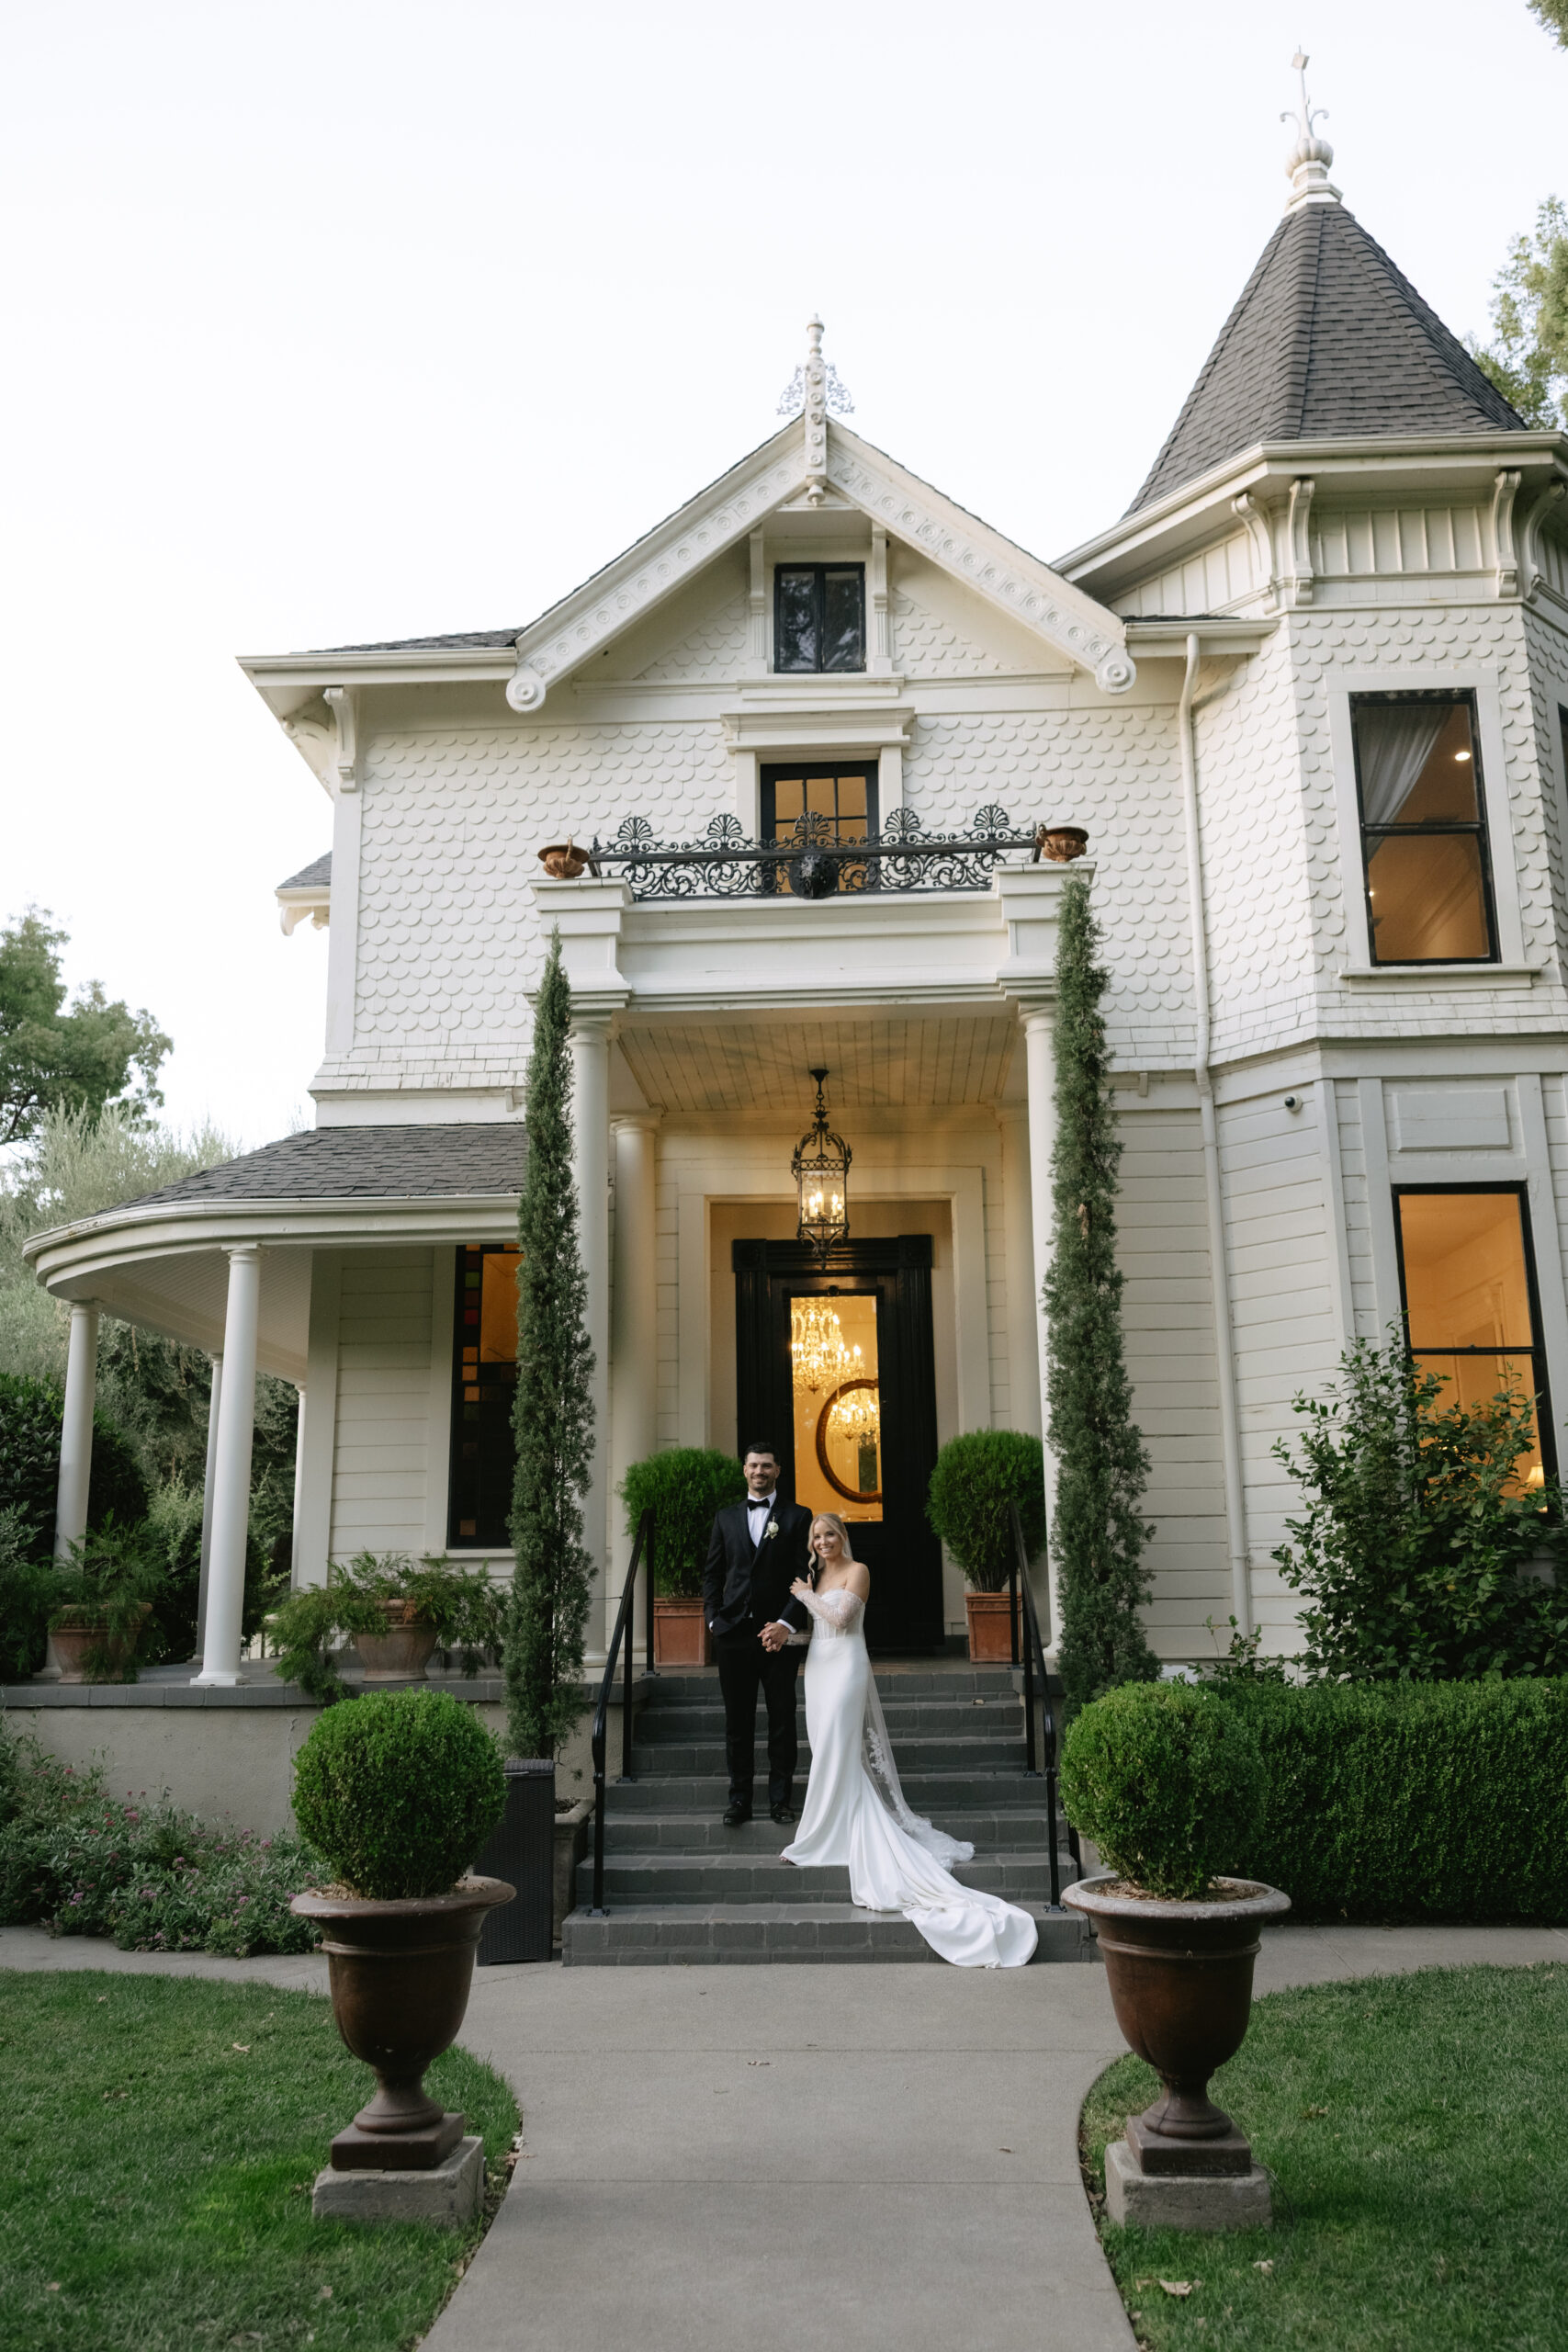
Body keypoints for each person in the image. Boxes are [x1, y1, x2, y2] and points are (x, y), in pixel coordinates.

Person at [782, 1512, 1038, 1968]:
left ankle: (821, 1836)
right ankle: (828, 1829)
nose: (822, 1542)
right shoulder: (817, 1574)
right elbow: (819, 1630)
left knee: (839, 1751)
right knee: (826, 1750)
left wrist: (803, 1595)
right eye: (816, 1536)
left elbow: (841, 1620)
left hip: (846, 1669)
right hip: (818, 1668)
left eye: (829, 1534)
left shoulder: (857, 1571)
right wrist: (786, 1634)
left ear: (843, 1536)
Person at [702, 1442, 815, 1827]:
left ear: (778, 1470)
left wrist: (785, 1624)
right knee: (738, 1721)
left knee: (783, 1717)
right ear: (744, 1470)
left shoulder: (799, 1517)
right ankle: (739, 1799)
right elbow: (713, 1574)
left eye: (767, 1465)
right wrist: (713, 1620)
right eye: (753, 1466)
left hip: (778, 1637)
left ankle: (781, 1800)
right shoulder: (725, 1517)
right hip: (733, 1635)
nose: (759, 1472)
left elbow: (805, 1577)